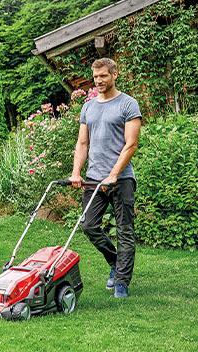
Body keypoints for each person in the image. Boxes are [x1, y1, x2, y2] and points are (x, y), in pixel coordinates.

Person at [69, 58, 142, 298]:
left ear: (114, 75)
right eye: (96, 77)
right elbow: (82, 142)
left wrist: (114, 175)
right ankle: (115, 262)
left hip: (121, 180)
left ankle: (122, 281)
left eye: (103, 76)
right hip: (93, 179)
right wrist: (76, 172)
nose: (99, 81)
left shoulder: (128, 104)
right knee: (89, 225)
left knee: (124, 230)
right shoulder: (88, 107)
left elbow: (131, 144)